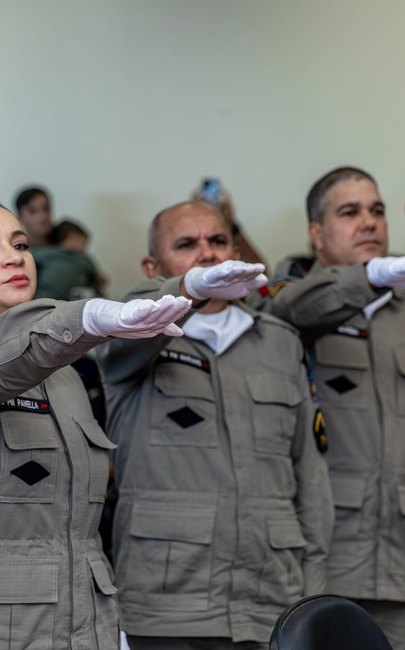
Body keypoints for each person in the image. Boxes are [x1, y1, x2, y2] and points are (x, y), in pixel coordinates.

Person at [0, 196, 191, 649]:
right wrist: (89, 317)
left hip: (83, 619)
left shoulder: (64, 377)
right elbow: (1, 359)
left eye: (19, 244)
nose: (13, 257)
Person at [98, 201, 333, 650]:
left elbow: (310, 475)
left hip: (271, 599)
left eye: (218, 241)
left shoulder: (280, 341)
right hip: (169, 608)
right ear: (154, 265)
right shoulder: (132, 336)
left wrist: (312, 592)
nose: (207, 254)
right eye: (187, 244)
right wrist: (186, 290)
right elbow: (129, 328)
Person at [265, 167, 405, 649]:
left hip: (398, 546)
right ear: (316, 233)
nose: (369, 222)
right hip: (324, 549)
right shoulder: (290, 299)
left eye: (377, 211)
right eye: (350, 212)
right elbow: (292, 312)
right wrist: (367, 278)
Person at [32, 219, 106, 300]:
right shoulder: (48, 252)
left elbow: (98, 278)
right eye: (83, 243)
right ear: (72, 236)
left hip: (71, 300)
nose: (85, 249)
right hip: (46, 299)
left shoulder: (84, 258)